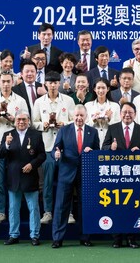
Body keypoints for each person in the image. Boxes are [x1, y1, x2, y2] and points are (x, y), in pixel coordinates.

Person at [51, 105, 100, 248]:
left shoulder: (93, 132)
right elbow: (56, 148)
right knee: (61, 206)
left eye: (82, 116)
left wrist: (92, 151)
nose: (79, 118)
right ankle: (57, 239)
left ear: (86, 116)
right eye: (77, 115)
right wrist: (56, 153)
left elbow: (97, 151)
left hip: (86, 174)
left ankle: (85, 237)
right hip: (66, 173)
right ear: (73, 116)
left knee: (85, 207)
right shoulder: (64, 130)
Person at [0, 71, 28, 224]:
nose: (6, 84)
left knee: (17, 180)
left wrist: (12, 119)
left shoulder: (21, 101)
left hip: (17, 147)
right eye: (3, 81)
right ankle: (1, 212)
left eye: (9, 81)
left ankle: (15, 211)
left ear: (13, 82)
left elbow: (27, 123)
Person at [103, 102, 140, 248]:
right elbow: (103, 147)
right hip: (117, 176)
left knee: (133, 207)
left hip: (135, 176)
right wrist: (111, 147)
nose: (127, 115)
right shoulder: (112, 128)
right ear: (120, 113)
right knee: (116, 206)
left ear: (135, 114)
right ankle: (117, 238)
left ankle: (131, 238)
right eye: (124, 112)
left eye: (130, 112)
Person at [32, 71, 74, 223]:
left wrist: (65, 125)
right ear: (45, 85)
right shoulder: (39, 102)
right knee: (47, 183)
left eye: (56, 83)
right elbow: (33, 123)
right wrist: (42, 125)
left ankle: (68, 213)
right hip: (47, 147)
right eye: (50, 83)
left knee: (67, 182)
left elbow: (74, 121)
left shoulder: (68, 101)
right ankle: (48, 212)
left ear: (60, 84)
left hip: (66, 147)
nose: (53, 85)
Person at [0, 112, 46, 246]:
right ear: (14, 121)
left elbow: (42, 155)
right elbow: (0, 154)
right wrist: (7, 145)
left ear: (29, 121)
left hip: (30, 176)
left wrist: (32, 164)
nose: (21, 122)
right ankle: (13, 235)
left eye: (24, 119)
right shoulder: (8, 135)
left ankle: (35, 235)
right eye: (19, 119)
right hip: (13, 178)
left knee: (34, 208)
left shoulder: (36, 135)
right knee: (13, 208)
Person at [85, 77, 120, 147]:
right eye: (98, 88)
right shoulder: (88, 105)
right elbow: (84, 126)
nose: (101, 90)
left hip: (109, 141)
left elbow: (119, 128)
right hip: (92, 140)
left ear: (108, 89)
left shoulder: (115, 106)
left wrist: (110, 120)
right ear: (94, 89)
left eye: (103, 88)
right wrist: (93, 120)